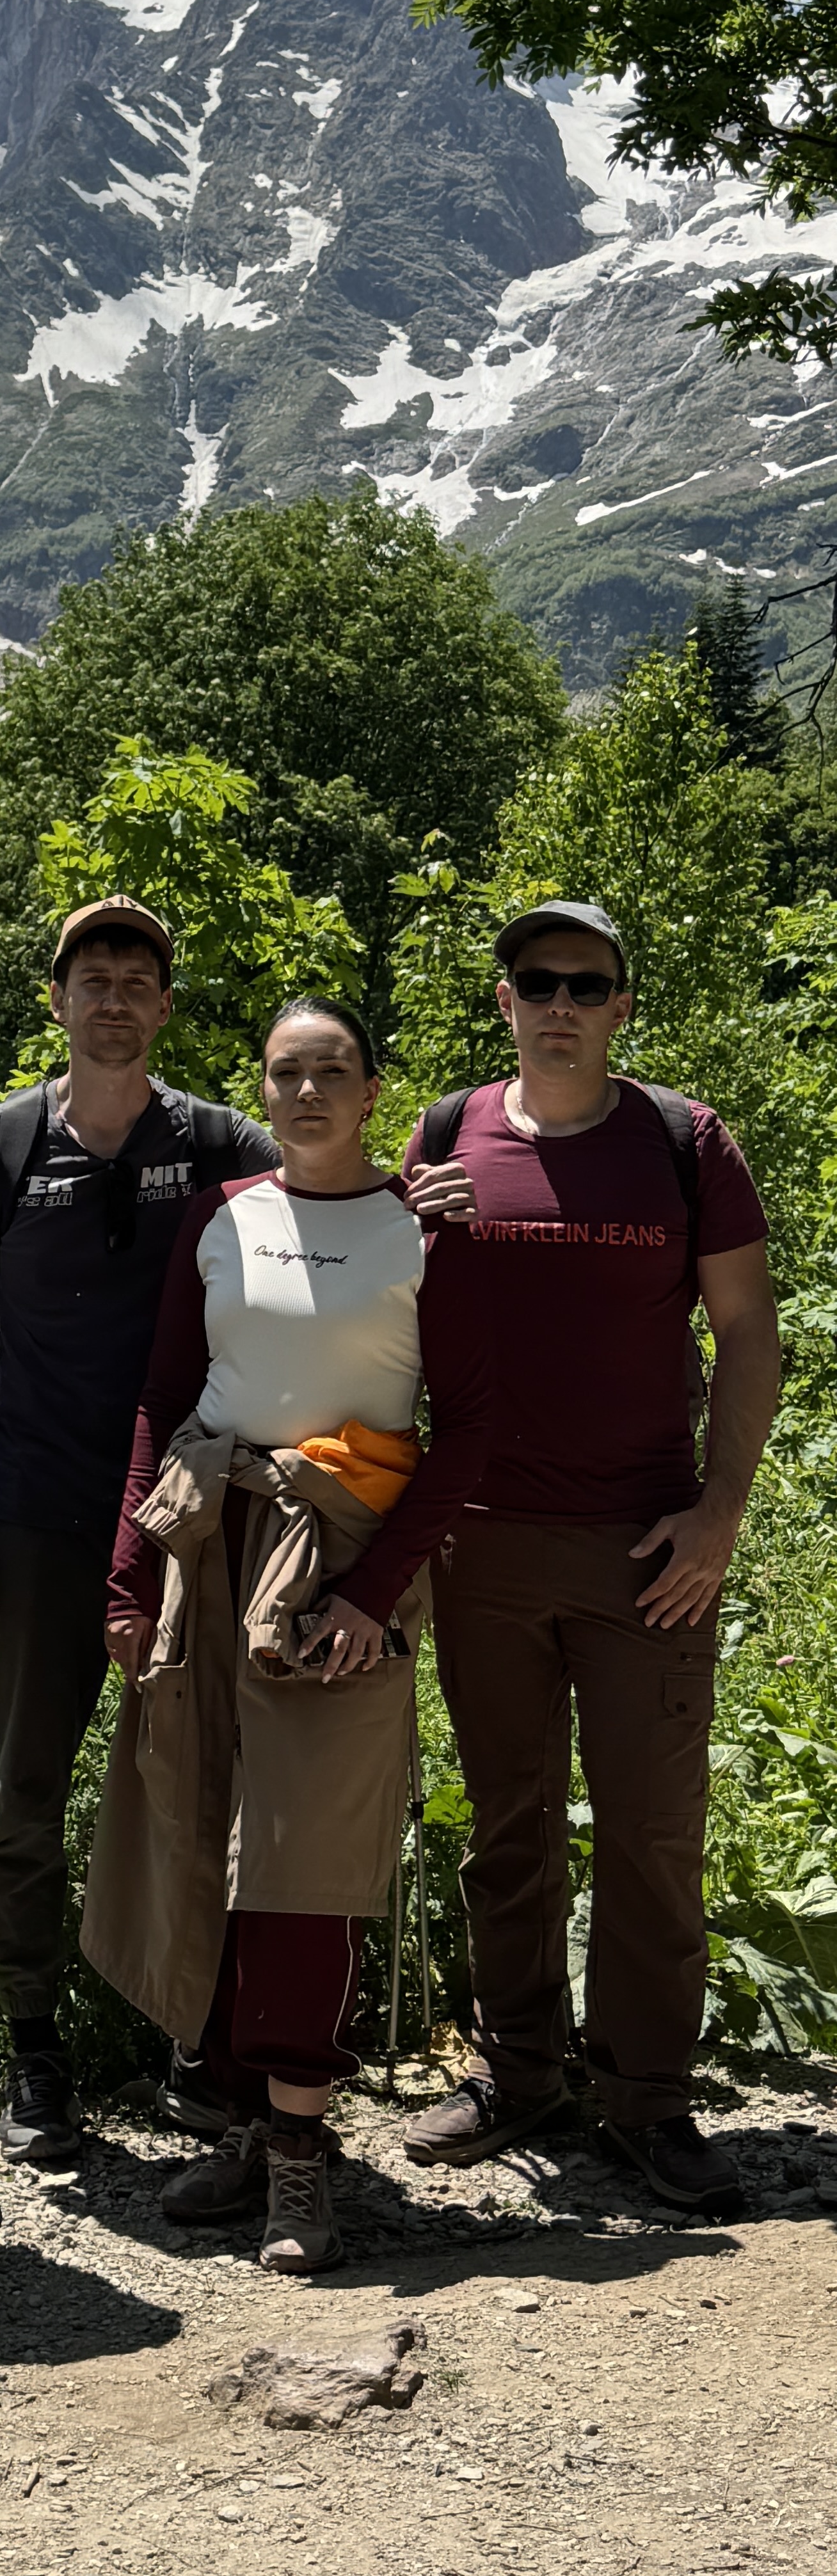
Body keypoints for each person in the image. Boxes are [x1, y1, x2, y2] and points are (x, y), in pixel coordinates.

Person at [92, 999, 493, 2272]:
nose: (307, 1090)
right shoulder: (221, 1217)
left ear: (372, 1092)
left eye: (331, 1071)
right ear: (259, 1091)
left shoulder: (422, 1227)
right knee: (201, 1817)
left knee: (305, 1853)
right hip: (209, 1541)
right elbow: (163, 1394)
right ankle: (239, 2123)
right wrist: (129, 1576)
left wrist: (373, 1595)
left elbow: (467, 1429)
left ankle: (303, 2152)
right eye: (285, 1072)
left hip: (340, 1553)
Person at [398, 902, 779, 2215]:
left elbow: (746, 1330)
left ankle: (646, 2099)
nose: (557, 1001)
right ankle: (519, 2075)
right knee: (505, 1826)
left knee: (650, 1836)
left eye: (584, 982)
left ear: (620, 1005)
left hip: (646, 1550)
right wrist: (409, 1229)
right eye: (535, 980)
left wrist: (719, 1513)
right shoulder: (444, 1135)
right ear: (502, 1000)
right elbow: (380, 1316)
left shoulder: (680, 1141)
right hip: (483, 1542)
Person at [0, 896, 276, 2164]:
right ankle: (32, 2054)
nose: (114, 999)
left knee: (203, 1783)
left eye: (137, 980)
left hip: (194, 1524)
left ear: (164, 1007)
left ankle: (197, 2035)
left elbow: (310, 1281)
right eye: (93, 979)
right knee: (15, 1799)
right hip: (31, 1513)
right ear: (58, 1000)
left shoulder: (226, 1145)